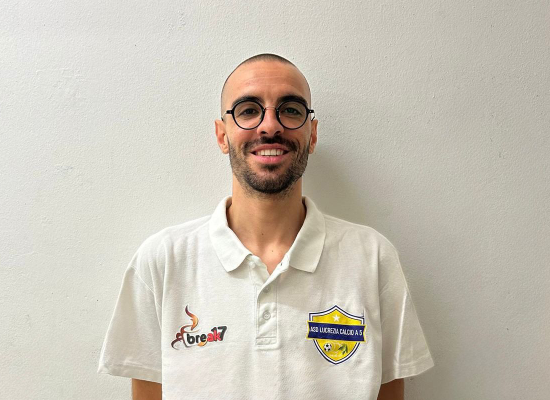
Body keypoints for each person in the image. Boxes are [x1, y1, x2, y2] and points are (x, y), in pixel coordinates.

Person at [98, 53, 434, 400]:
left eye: (290, 110)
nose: (270, 126)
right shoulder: (163, 261)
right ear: (222, 135)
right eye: (248, 110)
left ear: (312, 134)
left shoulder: (372, 258)